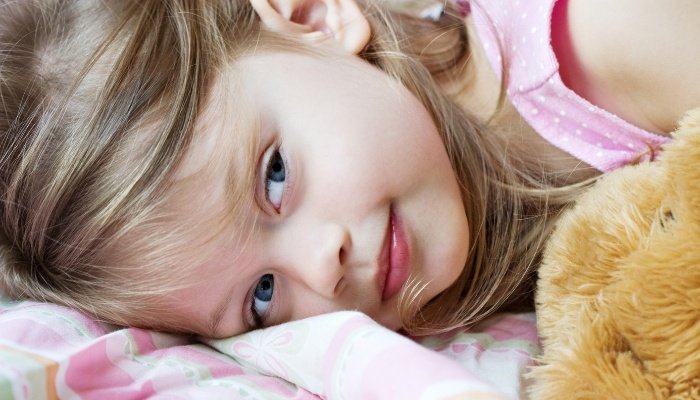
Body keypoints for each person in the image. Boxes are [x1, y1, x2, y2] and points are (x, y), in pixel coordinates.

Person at [0, 0, 697, 339]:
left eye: (273, 177)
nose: (321, 268)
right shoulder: (445, 310)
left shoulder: (601, 41)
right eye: (261, 298)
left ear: (314, 18)